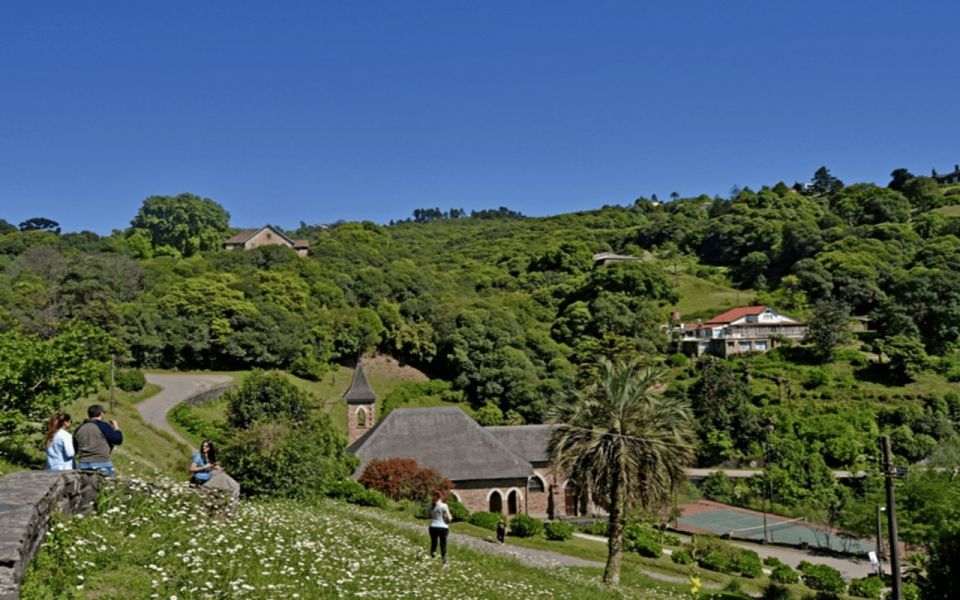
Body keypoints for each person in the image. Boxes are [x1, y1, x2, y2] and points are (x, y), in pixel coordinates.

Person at [188, 440, 241, 514]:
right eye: (203, 446)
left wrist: (216, 467)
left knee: (225, 479)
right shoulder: (198, 456)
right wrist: (205, 467)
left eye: (206, 446)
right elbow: (191, 469)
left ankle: (229, 508)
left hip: (208, 478)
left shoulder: (209, 457)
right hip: (200, 479)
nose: (204, 447)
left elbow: (213, 465)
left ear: (210, 448)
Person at [74, 404, 123, 476]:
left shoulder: (80, 428)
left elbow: (75, 447)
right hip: (101, 463)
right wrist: (116, 428)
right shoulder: (103, 426)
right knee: (104, 486)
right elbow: (118, 440)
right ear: (101, 414)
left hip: (83, 464)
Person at [428, 490, 453, 568]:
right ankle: (444, 562)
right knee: (443, 544)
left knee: (434, 542)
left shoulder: (429, 505)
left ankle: (433, 556)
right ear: (441, 497)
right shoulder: (444, 506)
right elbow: (449, 518)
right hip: (443, 527)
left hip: (433, 526)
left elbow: (429, 516)